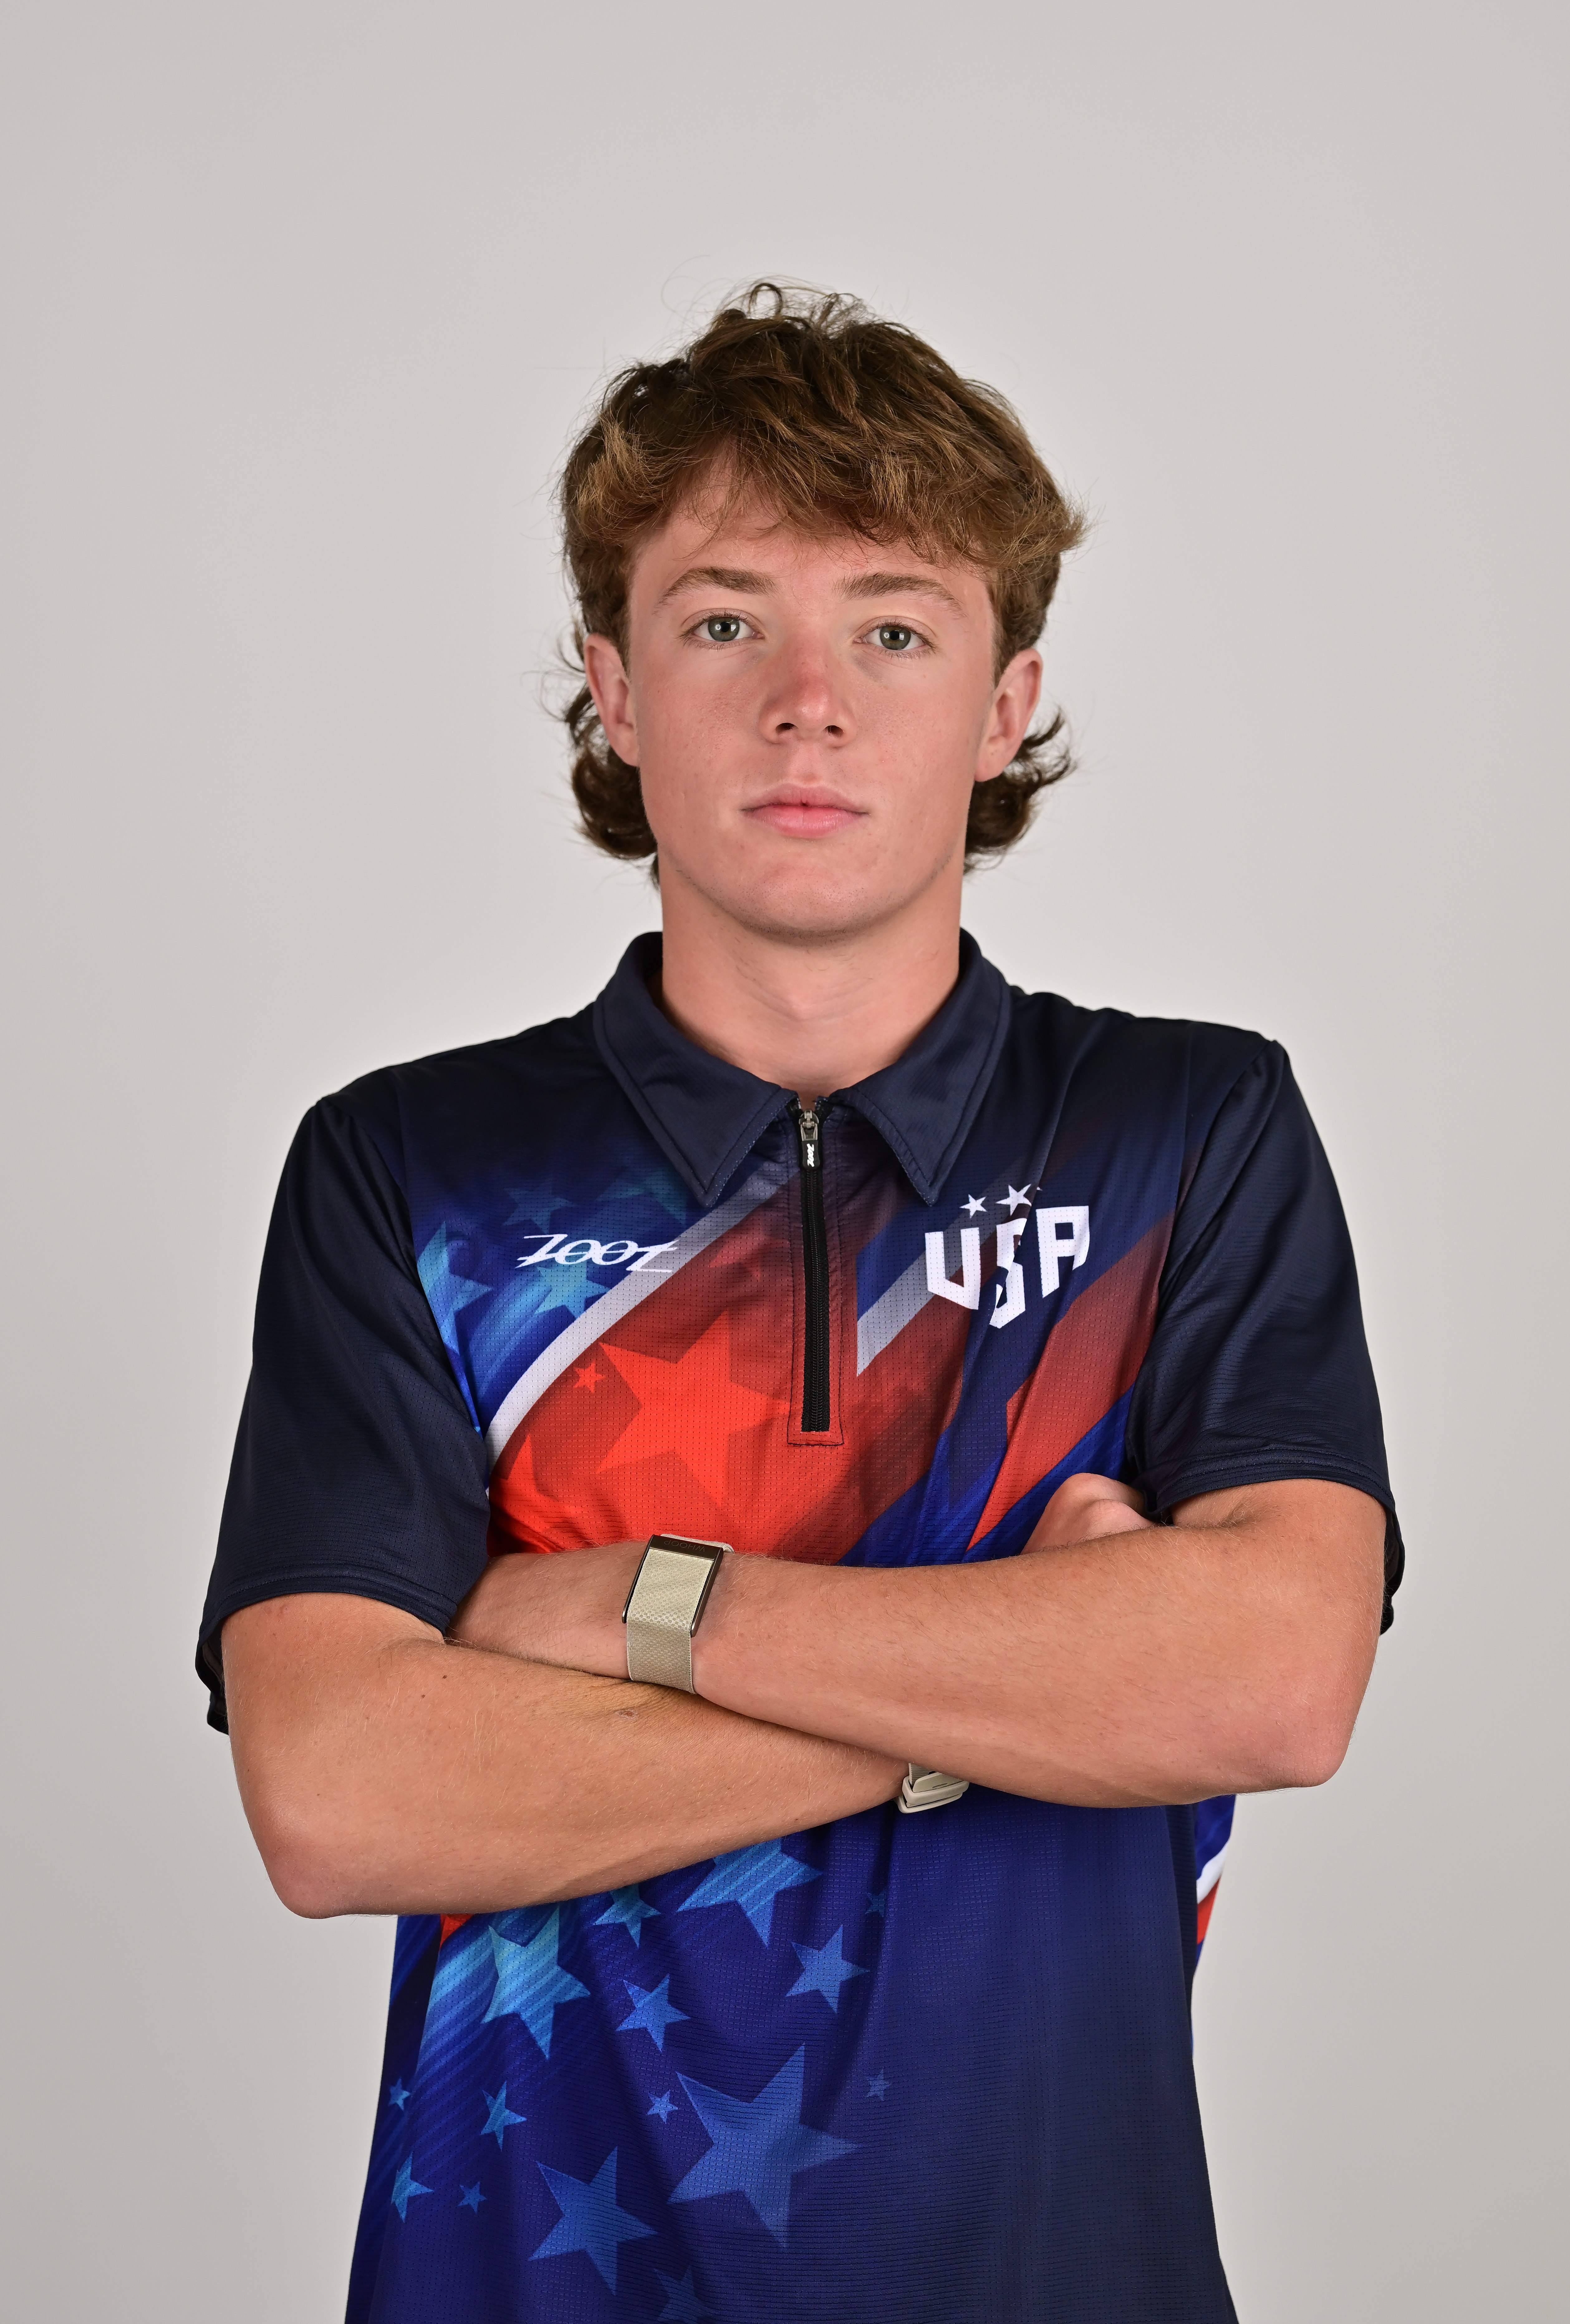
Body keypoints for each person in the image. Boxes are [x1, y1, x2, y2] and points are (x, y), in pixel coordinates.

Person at [199, 283, 1402, 2324]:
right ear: (615, 690)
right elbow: (340, 1797)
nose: (809, 703)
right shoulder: (411, 1169)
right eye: (724, 622)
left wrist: (635, 1611)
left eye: (897, 629)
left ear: (1008, 702)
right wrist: (1023, 1698)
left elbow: (1277, 1681)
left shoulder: (1189, 1130)